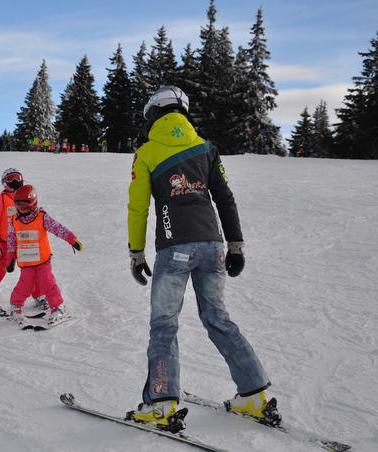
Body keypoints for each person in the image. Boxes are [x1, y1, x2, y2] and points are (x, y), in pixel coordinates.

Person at [125, 86, 279, 432]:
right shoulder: (207, 148)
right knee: (218, 318)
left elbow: (138, 206)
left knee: (164, 324)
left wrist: (136, 252)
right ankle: (254, 395)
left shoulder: (147, 152)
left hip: (175, 247)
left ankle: (161, 403)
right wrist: (236, 244)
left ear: (153, 114)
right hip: (213, 245)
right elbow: (225, 197)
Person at [6, 185, 82, 325]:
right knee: (24, 285)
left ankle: (58, 307)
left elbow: (57, 228)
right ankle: (16, 307)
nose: (20, 208)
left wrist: (71, 238)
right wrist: (10, 257)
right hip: (26, 262)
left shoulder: (42, 217)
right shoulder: (14, 220)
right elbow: (11, 239)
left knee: (48, 283)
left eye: (24, 205)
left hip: (42, 260)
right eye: (18, 205)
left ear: (32, 203)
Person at [0, 168, 47, 315]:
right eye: (10, 179)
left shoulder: (26, 196)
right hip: (5, 242)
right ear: (4, 183)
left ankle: (39, 295)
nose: (14, 182)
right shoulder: (1, 198)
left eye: (17, 178)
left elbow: (34, 214)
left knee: (31, 269)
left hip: (24, 242)